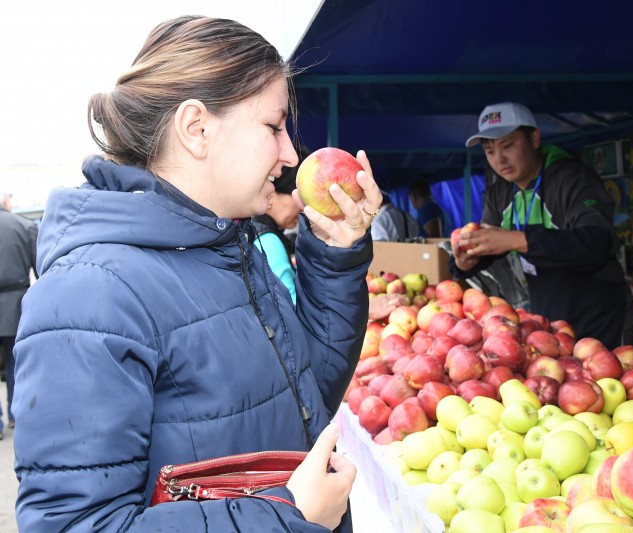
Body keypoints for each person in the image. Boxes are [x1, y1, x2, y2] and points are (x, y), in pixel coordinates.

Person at [13, 16, 384, 533]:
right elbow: (76, 524)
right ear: (196, 128)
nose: (290, 154)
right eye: (273, 127)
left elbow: (306, 398)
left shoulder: (229, 250)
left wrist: (334, 255)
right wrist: (285, 516)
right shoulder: (89, 295)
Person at [451, 101, 633, 349]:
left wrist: (518, 239)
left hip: (599, 313)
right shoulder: (500, 192)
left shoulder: (574, 179)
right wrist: (465, 262)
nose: (499, 159)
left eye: (508, 145)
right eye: (490, 151)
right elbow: (490, 242)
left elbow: (598, 242)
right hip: (549, 317)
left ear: (535, 138)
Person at [0, 192, 37, 438]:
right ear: (5, 203)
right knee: (16, 364)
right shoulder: (24, 225)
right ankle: (16, 414)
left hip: (13, 298)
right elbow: (41, 268)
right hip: (16, 305)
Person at [252, 149, 307, 303]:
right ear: (271, 194)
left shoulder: (253, 230)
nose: (303, 208)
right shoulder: (268, 241)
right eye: (300, 197)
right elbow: (289, 305)